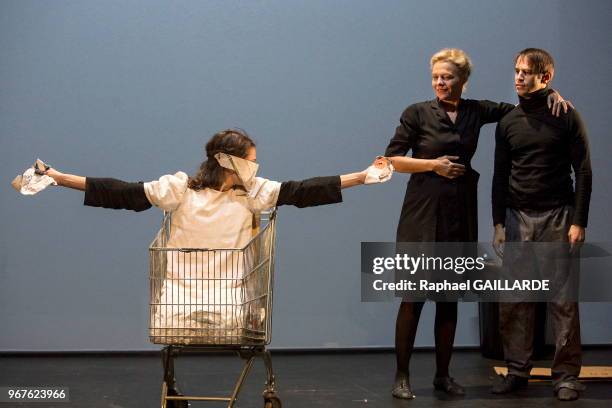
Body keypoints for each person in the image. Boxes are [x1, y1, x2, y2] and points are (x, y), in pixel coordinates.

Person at [34, 128, 392, 408]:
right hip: (219, 307)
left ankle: (171, 385)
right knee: (244, 325)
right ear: (231, 162)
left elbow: (305, 190)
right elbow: (121, 193)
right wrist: (60, 177)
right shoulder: (190, 190)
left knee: (183, 331)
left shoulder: (237, 192)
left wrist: (362, 176)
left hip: (179, 308)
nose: (257, 167)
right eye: (252, 161)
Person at [382, 48, 572, 399]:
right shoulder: (417, 113)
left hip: (460, 213)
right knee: (413, 297)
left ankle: (443, 375)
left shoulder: (476, 110)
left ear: (462, 81)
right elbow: (388, 160)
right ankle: (402, 376)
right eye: (436, 76)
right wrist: (432, 165)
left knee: (450, 298)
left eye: (448, 77)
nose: (441, 82)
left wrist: (554, 93)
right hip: (422, 215)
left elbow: (523, 104)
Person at [491, 48, 591, 401]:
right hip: (518, 218)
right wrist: (498, 222)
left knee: (562, 301)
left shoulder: (566, 115)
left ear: (545, 78)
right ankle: (517, 371)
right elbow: (499, 175)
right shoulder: (509, 122)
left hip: (558, 217)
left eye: (526, 72)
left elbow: (583, 171)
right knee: (515, 300)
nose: (518, 77)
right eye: (516, 70)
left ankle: (566, 376)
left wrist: (579, 221)